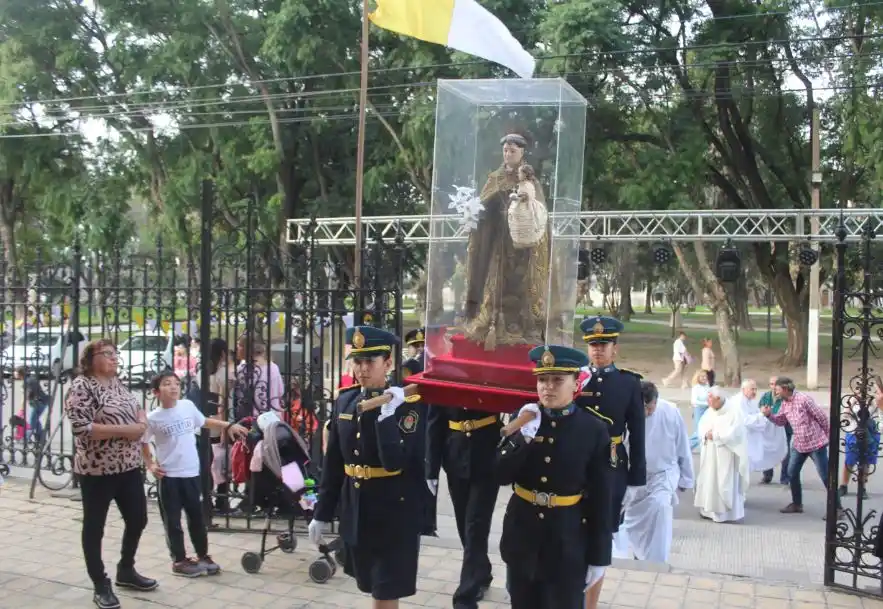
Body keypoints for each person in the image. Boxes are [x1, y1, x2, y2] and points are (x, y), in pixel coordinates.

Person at [308, 326, 426, 609]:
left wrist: (386, 417)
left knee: (385, 591)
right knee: (372, 585)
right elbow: (334, 462)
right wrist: (321, 513)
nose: (362, 368)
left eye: (369, 361)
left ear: (388, 363)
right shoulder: (346, 400)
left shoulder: (407, 405)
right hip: (357, 508)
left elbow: (395, 462)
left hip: (393, 511)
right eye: (357, 361)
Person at [496, 345, 612, 609]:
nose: (548, 387)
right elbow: (500, 474)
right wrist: (523, 438)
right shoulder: (523, 419)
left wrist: (599, 555)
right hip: (523, 535)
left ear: (575, 384)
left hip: (567, 539)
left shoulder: (593, 429)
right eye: (542, 380)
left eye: (558, 380)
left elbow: (602, 497)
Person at [64, 339, 158, 609]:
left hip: (127, 467)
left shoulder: (117, 383)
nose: (114, 358)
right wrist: (128, 430)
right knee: (95, 527)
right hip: (97, 470)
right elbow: (81, 427)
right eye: (107, 354)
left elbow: (136, 408)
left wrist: (140, 421)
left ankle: (126, 570)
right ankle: (100, 583)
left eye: (115, 354)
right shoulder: (82, 386)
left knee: (138, 518)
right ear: (91, 359)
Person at [141, 371, 248, 576]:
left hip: (191, 473)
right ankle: (179, 560)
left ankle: (203, 555)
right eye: (167, 384)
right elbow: (143, 442)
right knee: (172, 521)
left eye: (176, 383)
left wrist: (228, 425)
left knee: (197, 517)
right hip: (169, 476)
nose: (173, 387)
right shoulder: (153, 418)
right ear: (156, 392)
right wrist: (151, 465)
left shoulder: (187, 407)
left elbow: (204, 421)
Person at [426, 331, 502, 608]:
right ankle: (481, 571)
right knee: (463, 525)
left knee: (475, 526)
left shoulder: (492, 371)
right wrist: (431, 468)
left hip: (486, 455)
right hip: (455, 455)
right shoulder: (445, 374)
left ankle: (466, 595)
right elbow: (434, 424)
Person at [575, 315, 645, 609]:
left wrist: (635, 479)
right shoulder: (575, 379)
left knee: (601, 535)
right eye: (593, 344)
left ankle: (590, 603)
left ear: (615, 348)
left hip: (611, 466)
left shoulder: (629, 383)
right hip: (575, 465)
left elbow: (638, 433)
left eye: (604, 344)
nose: (598, 350)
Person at [462, 131, 550, 347]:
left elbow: (539, 210)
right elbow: (484, 203)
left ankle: (523, 324)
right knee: (495, 280)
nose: (508, 154)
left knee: (522, 282)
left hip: (523, 245)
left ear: (522, 152)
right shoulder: (494, 178)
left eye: (513, 150)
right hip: (499, 241)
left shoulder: (530, 179)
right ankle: (490, 322)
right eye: (505, 150)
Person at [613, 381, 693, 563]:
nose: (648, 412)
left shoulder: (671, 412)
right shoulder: (625, 413)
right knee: (631, 525)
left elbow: (683, 446)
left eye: (651, 407)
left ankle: (656, 563)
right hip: (633, 478)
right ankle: (638, 554)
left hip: (661, 476)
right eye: (644, 408)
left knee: (660, 514)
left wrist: (687, 478)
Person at [763, 377, 843, 518]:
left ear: (786, 389)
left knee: (825, 476)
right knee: (791, 472)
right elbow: (781, 421)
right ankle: (797, 504)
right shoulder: (784, 403)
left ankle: (837, 508)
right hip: (799, 445)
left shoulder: (803, 399)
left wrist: (828, 437)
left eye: (777, 388)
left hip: (816, 444)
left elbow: (822, 417)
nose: (775, 391)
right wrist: (770, 415)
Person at [694, 386, 749, 523]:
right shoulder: (710, 411)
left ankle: (727, 514)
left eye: (710, 398)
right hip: (710, 453)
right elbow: (702, 426)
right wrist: (706, 434)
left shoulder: (734, 412)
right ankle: (708, 510)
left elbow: (736, 432)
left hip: (726, 454)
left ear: (719, 399)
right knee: (709, 480)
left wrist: (717, 435)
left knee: (724, 482)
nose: (708, 401)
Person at [731, 379, 788, 475]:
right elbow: (745, 421)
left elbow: (758, 414)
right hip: (738, 439)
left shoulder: (751, 401)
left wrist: (766, 415)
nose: (754, 392)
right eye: (752, 389)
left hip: (748, 438)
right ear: (743, 389)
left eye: (755, 389)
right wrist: (761, 414)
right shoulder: (737, 402)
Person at [838, 375, 881, 499]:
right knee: (850, 460)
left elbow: (879, 417)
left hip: (871, 434)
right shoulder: (851, 399)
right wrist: (851, 406)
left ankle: (862, 488)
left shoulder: (874, 400)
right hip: (853, 432)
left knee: (866, 462)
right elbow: (844, 417)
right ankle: (843, 485)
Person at [760, 375, 791, 485]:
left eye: (776, 384)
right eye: (771, 384)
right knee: (767, 449)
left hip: (784, 426)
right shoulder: (766, 396)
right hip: (769, 427)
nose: (774, 387)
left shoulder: (784, 397)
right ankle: (767, 475)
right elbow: (761, 408)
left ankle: (785, 477)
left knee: (786, 451)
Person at [14, 365, 49, 445]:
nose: (14, 374)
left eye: (16, 372)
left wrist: (22, 407)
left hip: (39, 403)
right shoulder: (29, 379)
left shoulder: (28, 381)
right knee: (35, 420)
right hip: (40, 402)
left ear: (20, 374)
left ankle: (25, 438)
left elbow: (27, 395)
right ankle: (41, 438)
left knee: (32, 422)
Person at [688, 370, 712, 451]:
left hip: (707, 410)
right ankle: (686, 447)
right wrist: (706, 403)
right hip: (699, 410)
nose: (704, 378)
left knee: (705, 430)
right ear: (698, 378)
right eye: (702, 376)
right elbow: (693, 401)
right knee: (700, 432)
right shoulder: (696, 388)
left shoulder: (707, 386)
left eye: (705, 376)